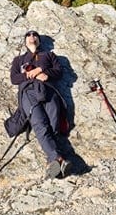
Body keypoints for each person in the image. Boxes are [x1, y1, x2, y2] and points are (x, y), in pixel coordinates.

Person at [10, 30, 72, 179]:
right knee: (39, 123)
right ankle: (56, 159)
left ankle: (57, 161)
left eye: (35, 35)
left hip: (49, 90)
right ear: (25, 42)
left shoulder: (49, 56)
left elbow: (59, 71)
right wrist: (29, 74)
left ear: (39, 41)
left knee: (54, 123)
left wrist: (44, 71)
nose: (32, 37)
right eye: (29, 36)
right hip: (29, 92)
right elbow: (14, 78)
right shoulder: (19, 60)